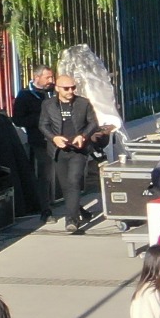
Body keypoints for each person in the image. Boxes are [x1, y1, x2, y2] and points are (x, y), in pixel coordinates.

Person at [37, 72, 106, 230]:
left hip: (78, 150)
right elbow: (43, 125)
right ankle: (80, 211)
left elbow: (93, 122)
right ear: (57, 89)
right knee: (66, 186)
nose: (70, 92)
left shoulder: (83, 103)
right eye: (66, 88)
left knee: (74, 181)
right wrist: (54, 138)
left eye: (73, 88)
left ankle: (72, 220)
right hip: (59, 150)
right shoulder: (48, 105)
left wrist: (83, 136)